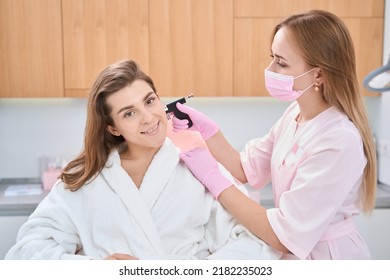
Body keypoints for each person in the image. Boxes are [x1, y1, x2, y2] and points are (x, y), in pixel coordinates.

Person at [5, 60, 281, 260]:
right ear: (112, 127)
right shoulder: (86, 177)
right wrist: (93, 270)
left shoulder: (199, 167)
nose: (148, 117)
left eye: (150, 101)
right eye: (129, 113)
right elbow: (28, 249)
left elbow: (252, 241)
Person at [173, 10, 377, 260]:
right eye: (272, 58)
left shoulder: (338, 140)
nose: (269, 69)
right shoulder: (296, 114)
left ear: (319, 75)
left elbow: (283, 235)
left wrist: (213, 178)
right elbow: (246, 168)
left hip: (330, 257)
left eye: (281, 63)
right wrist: (207, 131)